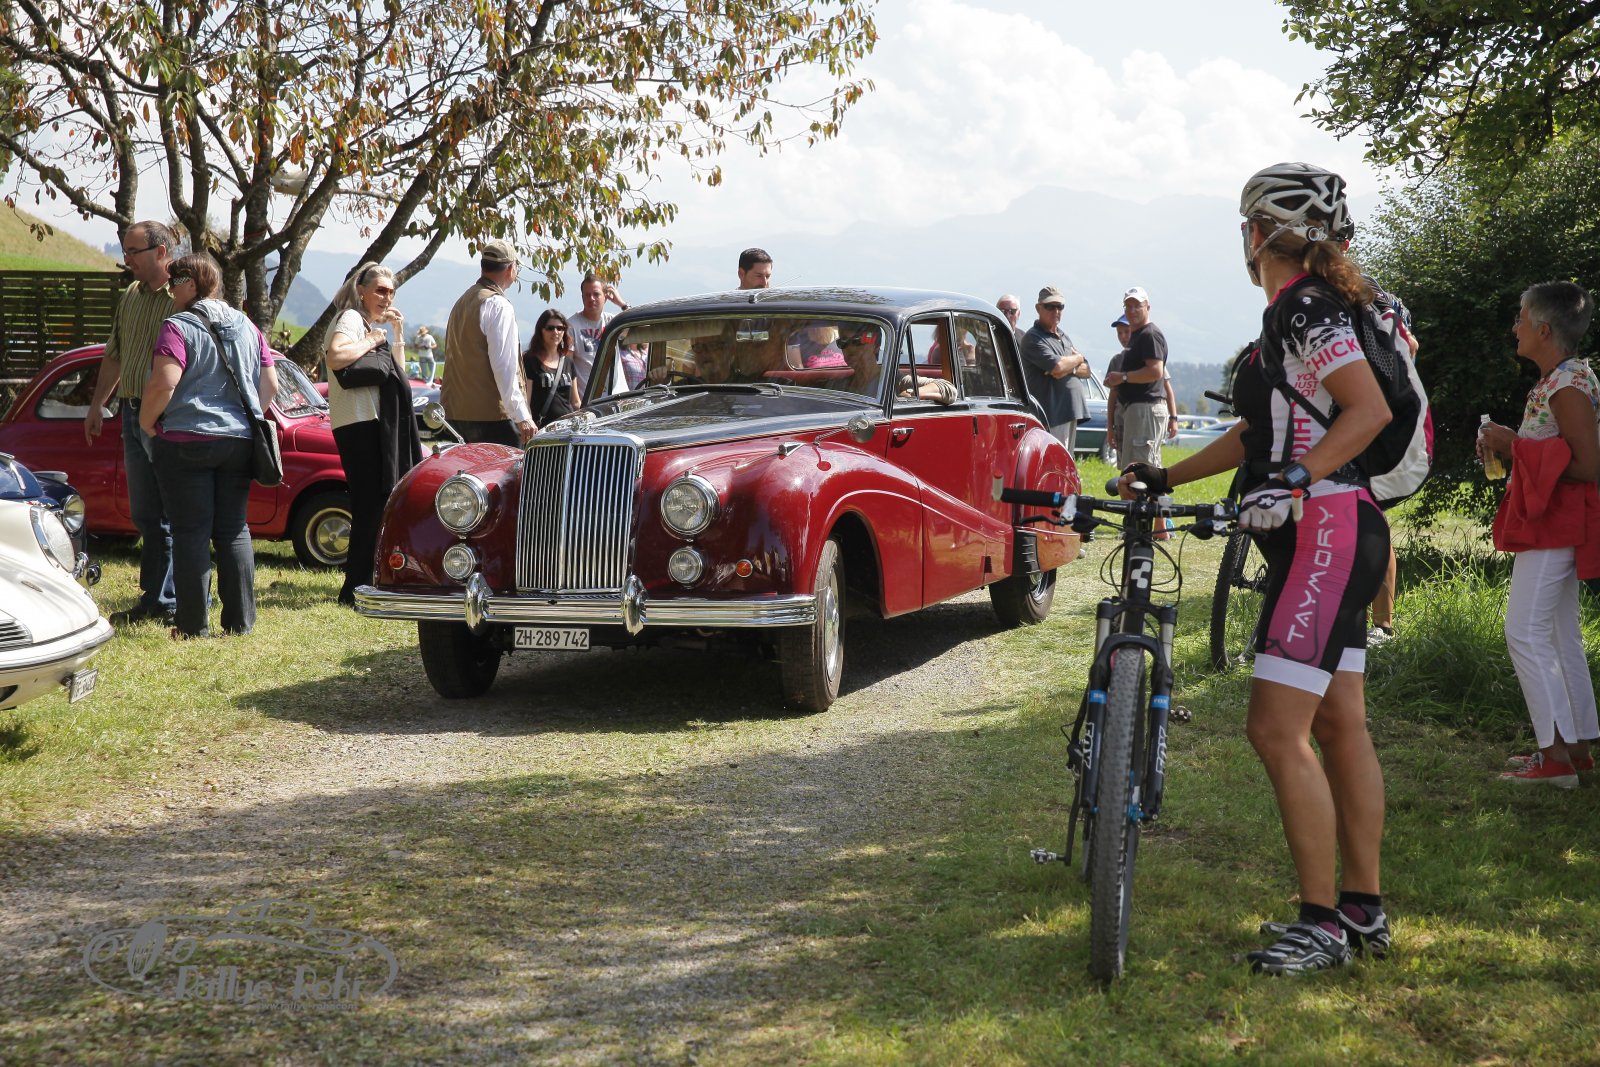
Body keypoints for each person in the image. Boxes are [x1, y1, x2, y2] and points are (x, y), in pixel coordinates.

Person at [1120, 162, 1394, 975]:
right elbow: (1258, 431)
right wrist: (1168, 476)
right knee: (1340, 724)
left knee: (1276, 729)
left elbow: (1368, 410)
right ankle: (1362, 910)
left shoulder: (1304, 306)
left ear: (1257, 234)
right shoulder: (1303, 310)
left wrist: (1298, 479)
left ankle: (1321, 924)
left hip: (1325, 531)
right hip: (1340, 530)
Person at [1480, 281, 1600, 787]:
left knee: (1524, 633)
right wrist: (1513, 447)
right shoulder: (1562, 378)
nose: (1515, 328)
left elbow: (1588, 465)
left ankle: (1554, 760)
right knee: (1557, 634)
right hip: (1556, 522)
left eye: (1520, 318)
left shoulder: (1567, 384)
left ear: (1543, 329)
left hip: (1555, 524)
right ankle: (1575, 750)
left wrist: (1515, 447)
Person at [136, 253, 278, 639]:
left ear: (191, 284)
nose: (169, 290)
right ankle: (240, 624)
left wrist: (146, 422)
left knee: (191, 531)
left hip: (186, 440)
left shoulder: (177, 326)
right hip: (239, 441)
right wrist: (245, 417)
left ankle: (192, 626)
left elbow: (164, 383)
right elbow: (270, 385)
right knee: (233, 529)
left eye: (174, 282)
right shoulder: (248, 326)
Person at [85, 220, 180, 625]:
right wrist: (97, 404)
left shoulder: (182, 297)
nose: (126, 259)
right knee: (146, 514)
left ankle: (175, 599)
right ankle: (153, 598)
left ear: (161, 252)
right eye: (125, 251)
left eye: (133, 252)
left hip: (168, 415)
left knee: (174, 510)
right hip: (130, 411)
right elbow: (115, 353)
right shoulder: (131, 295)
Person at [324, 262, 424, 605]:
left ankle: (366, 582)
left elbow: (397, 374)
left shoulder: (366, 324)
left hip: (369, 422)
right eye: (380, 290)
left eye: (391, 292)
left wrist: (395, 333)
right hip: (359, 422)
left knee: (377, 504)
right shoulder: (351, 318)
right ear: (361, 290)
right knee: (369, 506)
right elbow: (336, 356)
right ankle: (355, 589)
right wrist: (371, 339)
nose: (387, 297)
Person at [442, 240, 535, 446]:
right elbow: (504, 367)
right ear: (510, 269)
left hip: (456, 415)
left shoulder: (462, 301)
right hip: (492, 419)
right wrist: (522, 416)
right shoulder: (498, 305)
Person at [1105, 286, 1179, 465]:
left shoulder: (1149, 334)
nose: (1132, 310)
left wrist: (1123, 377)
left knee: (1142, 468)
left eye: (1137, 306)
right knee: (1132, 468)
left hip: (1145, 409)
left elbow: (1155, 372)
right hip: (1135, 411)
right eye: (1128, 306)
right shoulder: (1138, 336)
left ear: (1148, 307)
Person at [1019, 286, 1090, 449]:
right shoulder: (1033, 338)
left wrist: (1070, 367)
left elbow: (1087, 371)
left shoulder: (1064, 337)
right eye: (1050, 306)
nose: (1056, 311)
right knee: (1056, 459)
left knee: (1067, 459)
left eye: (1060, 306)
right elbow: (1057, 367)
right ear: (1038, 308)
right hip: (1052, 415)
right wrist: (1077, 358)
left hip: (1070, 412)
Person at [570, 271, 629, 391]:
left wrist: (622, 304)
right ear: (582, 297)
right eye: (587, 295)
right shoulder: (571, 326)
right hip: (589, 397)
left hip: (618, 396)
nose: (591, 299)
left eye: (596, 294)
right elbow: (568, 366)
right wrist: (575, 399)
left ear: (605, 297)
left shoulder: (612, 322)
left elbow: (638, 329)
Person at [523, 309, 581, 427]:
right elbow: (526, 401)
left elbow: (575, 402)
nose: (555, 332)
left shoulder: (568, 362)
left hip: (567, 428)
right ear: (541, 330)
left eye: (560, 328)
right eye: (550, 328)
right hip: (543, 429)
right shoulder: (530, 360)